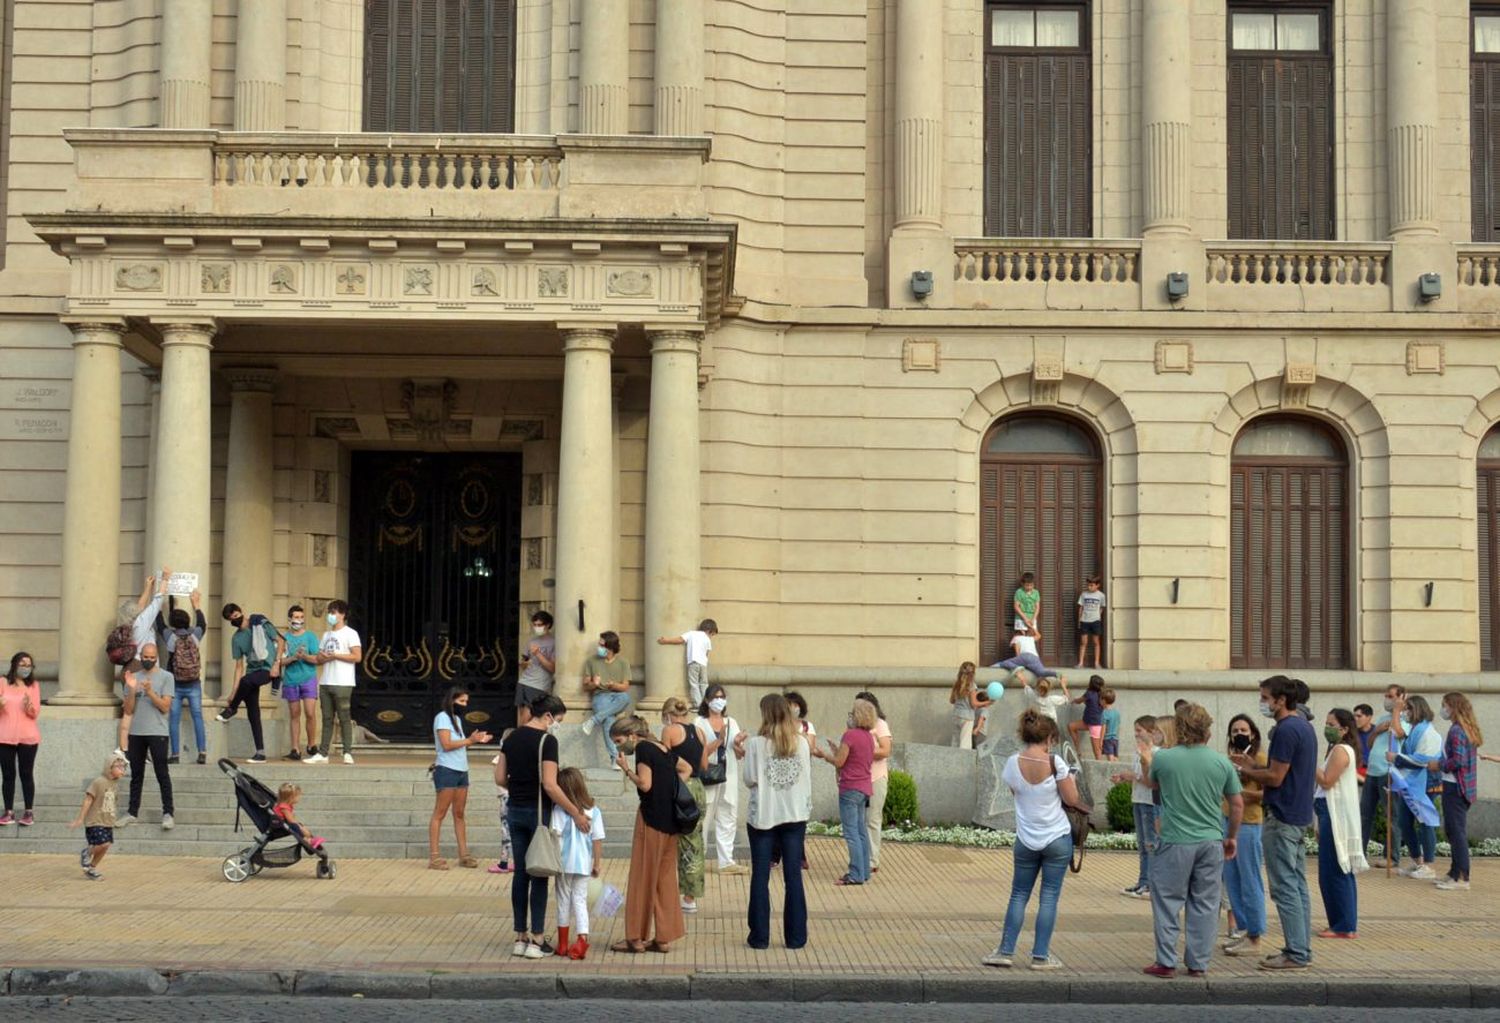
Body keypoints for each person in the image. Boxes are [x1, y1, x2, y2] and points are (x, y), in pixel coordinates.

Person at [1142, 703, 1243, 979]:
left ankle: (1166, 961)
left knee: (1167, 901)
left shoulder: (1164, 759)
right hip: (1211, 840)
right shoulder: (1221, 762)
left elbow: (1151, 784)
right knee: (1206, 903)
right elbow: (1236, 804)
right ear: (1207, 731)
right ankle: (1198, 962)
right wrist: (1231, 836)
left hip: (1175, 839)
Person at [495, 694, 591, 959]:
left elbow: (500, 776)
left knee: (520, 874)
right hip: (538, 815)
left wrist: (519, 788)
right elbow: (550, 784)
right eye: (558, 719)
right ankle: (537, 940)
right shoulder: (547, 741)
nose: (557, 725)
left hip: (514, 810)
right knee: (539, 873)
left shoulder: (511, 738)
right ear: (548, 716)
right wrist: (576, 813)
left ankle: (519, 936)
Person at [982, 709, 1078, 970]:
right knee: (1048, 897)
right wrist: (1071, 779)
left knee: (1018, 895)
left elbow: (1016, 792)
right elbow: (1072, 800)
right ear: (1048, 738)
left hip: (1026, 838)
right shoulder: (1055, 763)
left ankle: (1004, 951)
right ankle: (1040, 956)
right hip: (1056, 837)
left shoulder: (1012, 762)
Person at [1233, 675, 1316, 971]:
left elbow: (1277, 777)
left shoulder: (1286, 730)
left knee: (1284, 888)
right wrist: (1253, 766)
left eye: (1265, 698)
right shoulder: (1303, 727)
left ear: (1282, 700)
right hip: (1297, 814)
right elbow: (1284, 772)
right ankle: (1300, 947)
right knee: (1297, 886)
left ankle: (1296, 952)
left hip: (1282, 815)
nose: (1262, 703)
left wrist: (1251, 773)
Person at [736, 694, 812, 950]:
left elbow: (749, 779)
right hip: (794, 814)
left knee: (761, 875)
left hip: (764, 816)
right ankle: (796, 937)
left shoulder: (757, 744)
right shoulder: (801, 743)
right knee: (793, 877)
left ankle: (759, 937)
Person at [611, 714, 692, 953]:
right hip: (671, 822)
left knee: (642, 878)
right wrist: (670, 789)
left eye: (619, 740)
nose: (619, 746)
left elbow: (645, 784)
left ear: (633, 735)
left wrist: (627, 770)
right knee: (665, 880)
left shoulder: (644, 749)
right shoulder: (662, 747)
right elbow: (686, 768)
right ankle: (664, 937)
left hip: (651, 819)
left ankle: (635, 938)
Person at [1313, 708, 1366, 939]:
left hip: (1334, 815)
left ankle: (1344, 924)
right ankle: (1340, 921)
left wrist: (1307, 763)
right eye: (1327, 723)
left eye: (1332, 724)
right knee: (1331, 869)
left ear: (1344, 729)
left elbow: (1326, 781)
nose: (1328, 728)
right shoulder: (1335, 749)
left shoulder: (1342, 750)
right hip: (1326, 812)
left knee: (1335, 869)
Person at [812, 696, 876, 885]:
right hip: (864, 787)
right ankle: (864, 871)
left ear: (858, 716)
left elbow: (840, 761)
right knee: (861, 831)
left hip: (850, 787)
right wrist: (837, 751)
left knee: (851, 833)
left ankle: (855, 873)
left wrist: (825, 755)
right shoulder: (868, 737)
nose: (849, 716)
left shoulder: (850, 735)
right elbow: (854, 759)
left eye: (851, 713)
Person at [428, 687, 492, 870]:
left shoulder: (456, 720)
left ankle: (464, 854)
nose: (465, 705)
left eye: (466, 702)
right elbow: (446, 744)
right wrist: (470, 740)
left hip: (461, 769)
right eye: (462, 701)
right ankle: (434, 856)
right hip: (447, 769)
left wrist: (475, 740)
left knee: (459, 813)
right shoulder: (442, 717)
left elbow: (459, 745)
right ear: (452, 700)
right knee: (440, 813)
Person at [1220, 714, 1267, 958]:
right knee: (1232, 879)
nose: (1240, 734)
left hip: (1249, 822)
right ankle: (1243, 928)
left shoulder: (1259, 759)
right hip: (1226, 820)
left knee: (1250, 879)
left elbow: (1269, 792)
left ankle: (1256, 933)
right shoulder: (1228, 759)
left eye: (1244, 730)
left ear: (1253, 733)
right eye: (1235, 730)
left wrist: (1245, 796)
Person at [661, 696, 712, 914]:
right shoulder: (698, 731)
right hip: (698, 788)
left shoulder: (670, 731)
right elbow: (704, 764)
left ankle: (668, 891)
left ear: (668, 714)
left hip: (680, 787)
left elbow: (664, 761)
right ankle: (690, 897)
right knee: (695, 842)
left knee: (671, 841)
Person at [551, 767, 606, 960]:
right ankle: (582, 939)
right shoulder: (594, 810)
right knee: (580, 901)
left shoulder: (559, 810)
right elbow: (597, 839)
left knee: (563, 902)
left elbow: (556, 836)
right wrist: (597, 863)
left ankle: (563, 943)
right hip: (583, 864)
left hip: (563, 864)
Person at [216, 602, 281, 763]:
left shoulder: (260, 622)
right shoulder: (236, 638)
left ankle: (232, 709)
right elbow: (239, 666)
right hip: (252, 670)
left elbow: (280, 640)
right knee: (253, 712)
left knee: (246, 681)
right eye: (231, 619)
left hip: (268, 668)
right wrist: (233, 692)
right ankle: (260, 753)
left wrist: (277, 664)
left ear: (241, 612)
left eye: (236, 616)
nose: (235, 620)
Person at [118, 650, 175, 830]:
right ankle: (132, 812)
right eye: (146, 657)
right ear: (141, 656)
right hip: (136, 732)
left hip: (158, 731)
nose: (148, 660)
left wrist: (150, 692)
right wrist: (132, 689)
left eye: (152, 657)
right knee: (136, 774)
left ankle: (168, 812)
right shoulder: (133, 677)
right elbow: (128, 710)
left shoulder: (167, 677)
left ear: (156, 657)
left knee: (162, 773)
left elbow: (165, 707)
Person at [1432, 692, 1482, 891]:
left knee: (1456, 832)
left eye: (1445, 705)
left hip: (1455, 785)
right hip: (1463, 786)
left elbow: (1458, 761)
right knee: (1454, 830)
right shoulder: (1466, 729)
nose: (1443, 709)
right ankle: (1454, 872)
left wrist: (1439, 765)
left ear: (1453, 707)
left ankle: (1461, 876)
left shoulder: (1457, 731)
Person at [116, 569, 169, 755]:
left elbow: (141, 606)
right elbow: (156, 603)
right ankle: (135, 749)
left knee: (128, 710)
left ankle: (124, 747)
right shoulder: (141, 622)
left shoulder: (130, 624)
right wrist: (165, 580)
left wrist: (147, 587)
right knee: (139, 711)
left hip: (128, 668)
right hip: (140, 667)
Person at [1389, 692, 1442, 879]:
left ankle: (1428, 864)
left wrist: (1397, 758)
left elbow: (1422, 760)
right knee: (1404, 821)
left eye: (1408, 709)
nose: (1405, 713)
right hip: (1410, 783)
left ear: (1417, 710)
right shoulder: (1415, 730)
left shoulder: (1428, 732)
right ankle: (1416, 860)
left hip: (1426, 782)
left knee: (1425, 821)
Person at [697, 684, 745, 875]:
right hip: (708, 776)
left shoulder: (732, 722)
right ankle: (697, 859)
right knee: (703, 818)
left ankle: (726, 861)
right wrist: (719, 739)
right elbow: (700, 752)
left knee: (728, 816)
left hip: (728, 776)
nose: (719, 700)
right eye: (716, 697)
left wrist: (738, 744)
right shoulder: (699, 723)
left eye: (722, 697)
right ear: (707, 700)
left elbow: (739, 753)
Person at [1112, 715, 1160, 900]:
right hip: (1138, 799)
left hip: (1150, 802)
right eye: (1135, 731)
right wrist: (1124, 777)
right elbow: (1137, 775)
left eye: (1140, 731)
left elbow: (1150, 781)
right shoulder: (1137, 752)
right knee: (1142, 844)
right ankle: (1142, 880)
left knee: (1150, 843)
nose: (1136, 735)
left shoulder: (1155, 753)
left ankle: (1150, 883)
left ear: (1151, 732)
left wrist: (1133, 776)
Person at [157, 590, 206, 766]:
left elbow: (159, 623)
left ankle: (175, 754)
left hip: (174, 683)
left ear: (173, 624)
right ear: (187, 621)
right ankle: (202, 752)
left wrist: (160, 603)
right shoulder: (196, 635)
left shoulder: (170, 637)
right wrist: (196, 605)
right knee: (198, 716)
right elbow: (202, 623)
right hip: (194, 683)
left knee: (174, 718)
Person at [1361, 683, 1404, 865]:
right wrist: (1377, 730)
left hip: (1389, 772)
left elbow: (1399, 733)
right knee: (1365, 814)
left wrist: (1397, 712)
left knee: (1391, 815)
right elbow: (1371, 743)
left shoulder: (1404, 719)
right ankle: (1359, 852)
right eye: (1386, 695)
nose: (1387, 699)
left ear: (1401, 698)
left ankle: (1392, 856)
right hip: (1373, 771)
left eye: (1391, 696)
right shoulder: (1381, 718)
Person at [316, 600, 361, 764]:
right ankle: (323, 753)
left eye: (334, 612)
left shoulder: (350, 633)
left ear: (342, 614)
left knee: (344, 717)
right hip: (326, 680)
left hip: (343, 681)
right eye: (330, 612)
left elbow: (357, 656)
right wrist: (323, 656)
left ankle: (347, 751)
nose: (331, 615)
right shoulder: (326, 635)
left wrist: (336, 656)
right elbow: (319, 657)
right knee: (327, 718)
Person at [69, 753, 127, 880]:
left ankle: (91, 868)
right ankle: (87, 852)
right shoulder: (99, 782)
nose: (122, 770)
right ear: (109, 768)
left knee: (106, 846)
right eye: (119, 767)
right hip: (95, 821)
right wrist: (80, 819)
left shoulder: (115, 785)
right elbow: (88, 800)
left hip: (107, 821)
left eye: (124, 767)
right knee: (103, 843)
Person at [0, 651, 41, 826]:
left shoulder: (33, 685)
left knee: (26, 774)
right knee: (8, 775)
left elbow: (35, 713)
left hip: (28, 737)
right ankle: (8, 811)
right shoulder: (2, 682)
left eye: (28, 665)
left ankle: (28, 812)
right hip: (5, 736)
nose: (25, 668)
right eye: (22, 664)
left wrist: (29, 706)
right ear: (14, 664)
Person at [579, 631, 632, 763]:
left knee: (626, 697)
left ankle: (593, 720)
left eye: (602, 645)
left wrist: (614, 685)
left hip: (617, 696)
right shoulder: (591, 661)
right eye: (599, 644)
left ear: (610, 647)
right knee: (609, 720)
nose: (599, 647)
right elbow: (585, 686)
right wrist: (594, 684)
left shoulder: (623, 662)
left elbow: (625, 687)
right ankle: (615, 758)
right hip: (600, 695)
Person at [856, 690, 894, 872]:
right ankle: (860, 857)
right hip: (858, 778)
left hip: (876, 777)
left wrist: (864, 751)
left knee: (872, 818)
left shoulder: (880, 724)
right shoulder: (855, 727)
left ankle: (872, 860)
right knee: (858, 820)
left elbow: (886, 750)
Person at [278, 605, 321, 762]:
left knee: (310, 712)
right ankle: (295, 748)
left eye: (301, 617)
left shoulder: (310, 636)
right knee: (294, 714)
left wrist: (304, 656)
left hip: (308, 677)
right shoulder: (284, 638)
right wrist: (293, 658)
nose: (299, 620)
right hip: (290, 679)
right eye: (296, 617)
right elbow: (279, 661)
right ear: (289, 619)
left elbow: (317, 658)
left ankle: (311, 744)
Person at [657, 618, 718, 706]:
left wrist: (666, 640)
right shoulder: (707, 639)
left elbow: (680, 640)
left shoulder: (692, 633)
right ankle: (707, 703)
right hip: (703, 664)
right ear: (709, 630)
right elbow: (707, 653)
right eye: (712, 634)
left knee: (694, 684)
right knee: (704, 684)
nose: (711, 636)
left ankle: (698, 705)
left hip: (693, 662)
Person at [488, 727, 516, 875]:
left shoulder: (500, 758)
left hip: (505, 798)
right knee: (516, 832)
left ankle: (504, 863)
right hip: (517, 797)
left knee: (506, 831)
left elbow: (498, 777)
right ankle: (517, 861)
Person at [994, 628, 1063, 684]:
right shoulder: (1030, 638)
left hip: (1024, 656)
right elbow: (1039, 636)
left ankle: (1014, 667)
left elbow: (1017, 654)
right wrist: (1032, 626)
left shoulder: (1016, 638)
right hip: (1034, 657)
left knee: (1005, 663)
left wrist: (1020, 664)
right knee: (1041, 672)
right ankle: (1056, 673)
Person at [516, 610, 556, 707]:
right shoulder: (531, 641)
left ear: (547, 625)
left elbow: (552, 668)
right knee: (522, 718)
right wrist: (523, 664)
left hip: (538, 684)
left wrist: (538, 653)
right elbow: (523, 661)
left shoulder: (554, 642)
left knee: (532, 716)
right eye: (535, 625)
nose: (537, 628)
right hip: (524, 681)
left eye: (539, 625)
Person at [949, 661, 992, 749]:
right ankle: (963, 761)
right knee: (965, 743)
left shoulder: (956, 684)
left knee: (955, 742)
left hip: (956, 714)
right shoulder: (972, 686)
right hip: (967, 717)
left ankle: (953, 760)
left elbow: (952, 700)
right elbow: (974, 704)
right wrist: (987, 703)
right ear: (973, 673)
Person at [273, 783, 324, 850]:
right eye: (298, 796)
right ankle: (307, 840)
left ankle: (310, 839)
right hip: (279, 827)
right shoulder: (284, 807)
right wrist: (301, 827)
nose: (299, 798)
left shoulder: (286, 805)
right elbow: (291, 820)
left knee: (297, 825)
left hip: (284, 824)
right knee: (295, 826)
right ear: (291, 797)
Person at [1068, 674, 1106, 758]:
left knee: (1096, 750)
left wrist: (1073, 700)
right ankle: (1078, 750)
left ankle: (1099, 765)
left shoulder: (1089, 694)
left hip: (1094, 724)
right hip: (1088, 722)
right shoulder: (1101, 694)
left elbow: (1079, 701)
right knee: (1071, 726)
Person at [1075, 575, 1106, 668]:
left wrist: (1098, 616)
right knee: (1083, 642)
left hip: (1095, 621)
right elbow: (1081, 607)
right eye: (1088, 585)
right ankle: (1080, 663)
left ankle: (1096, 663)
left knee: (1096, 642)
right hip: (1085, 620)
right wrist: (1079, 619)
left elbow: (1102, 607)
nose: (1089, 587)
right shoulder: (1084, 594)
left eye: (1092, 585)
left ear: (1097, 585)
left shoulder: (1101, 595)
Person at [1352, 703, 1375, 779]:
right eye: (1354, 716)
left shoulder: (1377, 732)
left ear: (1369, 717)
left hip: (1373, 772)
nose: (1355, 719)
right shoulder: (1351, 733)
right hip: (1356, 772)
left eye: (1359, 716)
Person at [1100, 688, 1121, 760]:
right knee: (1115, 757)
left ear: (1103, 700)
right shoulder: (1117, 713)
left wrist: (1100, 741)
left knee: (1110, 758)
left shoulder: (1104, 713)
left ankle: (1113, 771)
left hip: (1107, 739)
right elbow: (1118, 725)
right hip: (1115, 738)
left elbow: (1103, 728)